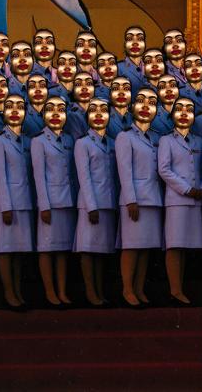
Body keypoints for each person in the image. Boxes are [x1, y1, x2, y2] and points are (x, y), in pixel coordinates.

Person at [158, 97, 202, 305]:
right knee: (174, 245)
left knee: (187, 245)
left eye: (189, 110)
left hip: (196, 200)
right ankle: (175, 290)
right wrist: (187, 189)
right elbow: (164, 169)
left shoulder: (198, 141)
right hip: (177, 199)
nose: (184, 113)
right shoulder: (166, 140)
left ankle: (182, 288)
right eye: (179, 110)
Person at [115, 89, 164, 307]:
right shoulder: (125, 136)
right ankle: (127, 289)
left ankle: (140, 288)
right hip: (135, 199)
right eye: (141, 102)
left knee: (146, 247)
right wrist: (130, 199)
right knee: (132, 246)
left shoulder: (154, 137)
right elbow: (125, 171)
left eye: (151, 102)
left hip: (153, 198)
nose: (146, 106)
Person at [31, 96, 77, 306]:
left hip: (67, 201)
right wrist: (44, 205)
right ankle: (50, 292)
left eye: (61, 109)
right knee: (47, 249)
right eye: (51, 109)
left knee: (62, 250)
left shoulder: (69, 140)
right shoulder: (38, 141)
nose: (56, 114)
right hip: (50, 201)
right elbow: (39, 176)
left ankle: (62, 291)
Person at [74, 98, 119, 307]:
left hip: (108, 202)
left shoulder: (111, 142)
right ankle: (90, 292)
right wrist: (92, 206)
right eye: (94, 110)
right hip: (91, 204)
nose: (99, 114)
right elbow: (84, 177)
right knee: (88, 249)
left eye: (103, 110)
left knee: (102, 251)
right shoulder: (83, 143)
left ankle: (100, 291)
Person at [0, 94, 34, 309]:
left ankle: (17, 291)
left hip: (25, 202)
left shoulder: (27, 140)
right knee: (6, 249)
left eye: (19, 106)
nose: (15, 110)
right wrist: (6, 206)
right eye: (10, 107)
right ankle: (8, 293)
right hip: (9, 204)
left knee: (19, 250)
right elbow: (0, 175)